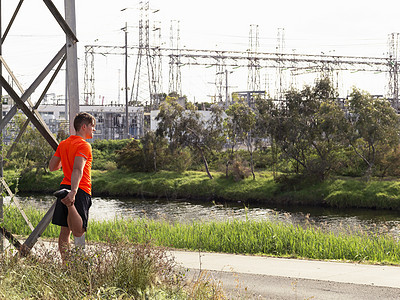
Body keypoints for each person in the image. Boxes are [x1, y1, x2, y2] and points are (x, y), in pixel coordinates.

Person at [48, 112, 96, 261]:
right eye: (92, 127)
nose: (93, 130)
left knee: (65, 231)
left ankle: (66, 264)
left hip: (64, 185)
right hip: (79, 188)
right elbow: (77, 169)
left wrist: (66, 156)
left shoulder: (64, 144)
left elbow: (52, 167)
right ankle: (70, 204)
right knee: (79, 231)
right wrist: (73, 192)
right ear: (83, 127)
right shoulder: (84, 145)